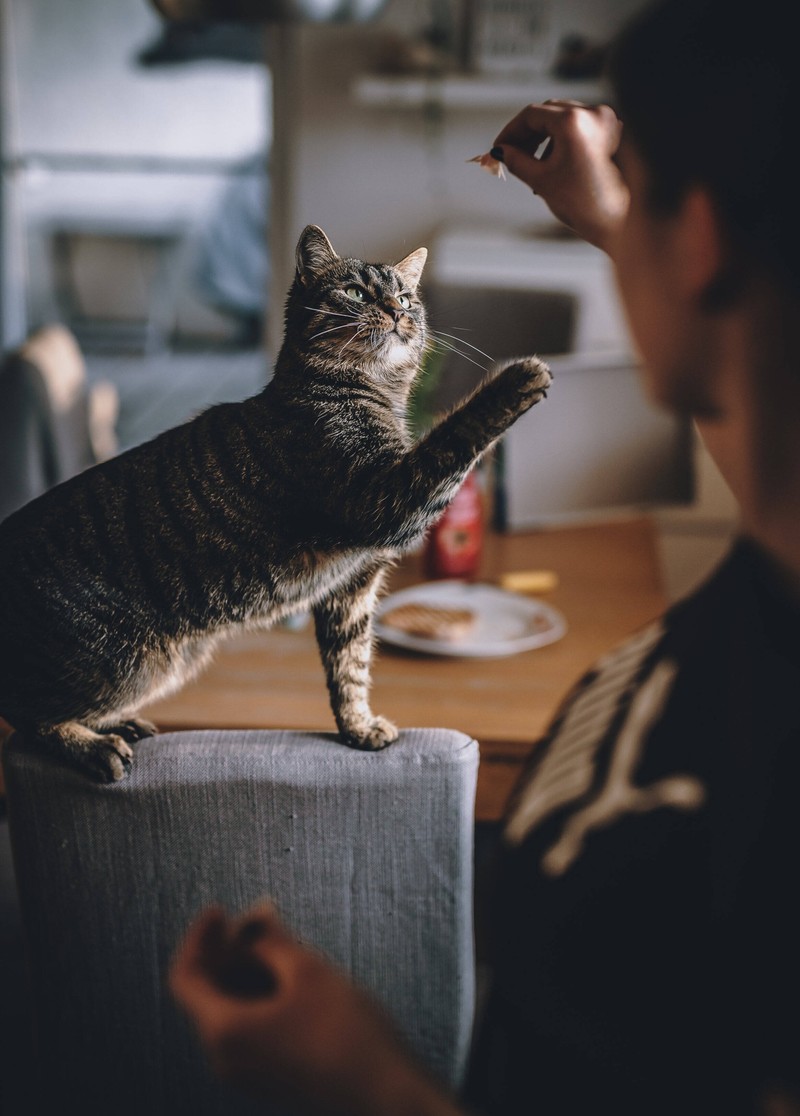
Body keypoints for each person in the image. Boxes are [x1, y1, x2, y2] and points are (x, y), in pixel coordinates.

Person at [169, 0, 800, 1111]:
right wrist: (619, 217)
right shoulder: (767, 573)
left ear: (696, 242)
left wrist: (359, 1077)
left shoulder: (721, 794)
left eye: (643, 199)